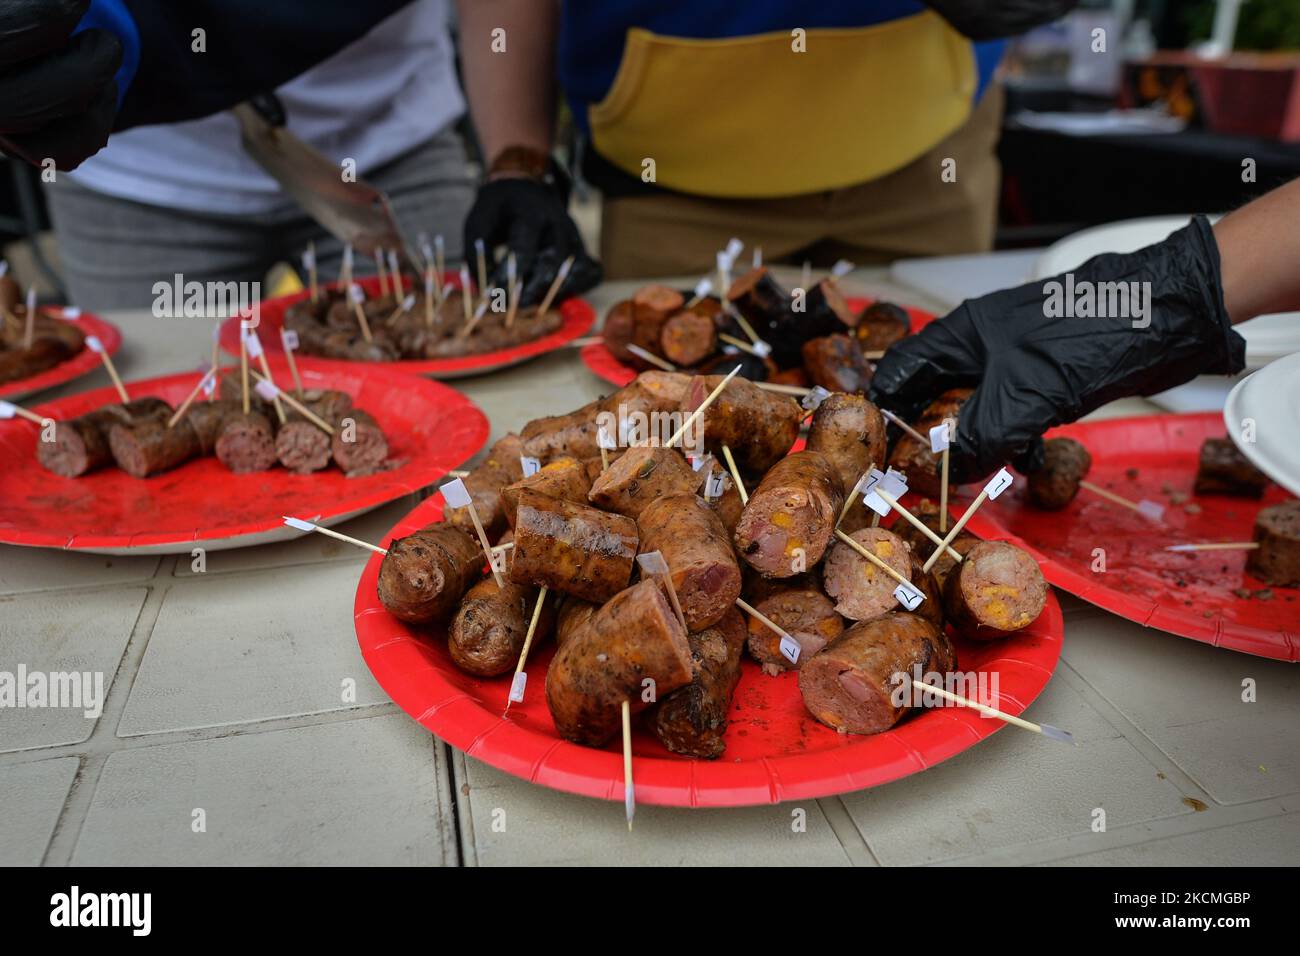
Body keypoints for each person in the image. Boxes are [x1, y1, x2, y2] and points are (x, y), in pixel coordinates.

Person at [0, 0, 597, 309]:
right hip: (133, 175)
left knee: (457, 428)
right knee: (157, 434)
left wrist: (516, 164)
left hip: (391, 141)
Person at [467, 0, 1077, 278]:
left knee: (938, 431)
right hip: (675, 184)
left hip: (929, 149)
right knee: (677, 441)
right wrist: (518, 161)